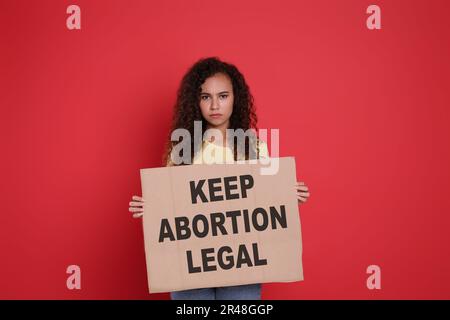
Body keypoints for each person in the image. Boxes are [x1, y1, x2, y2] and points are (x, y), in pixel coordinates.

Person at [129, 57, 310, 300]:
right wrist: (151, 206)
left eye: (223, 96)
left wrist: (287, 196)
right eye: (206, 97)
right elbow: (173, 201)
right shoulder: (183, 148)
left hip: (243, 261)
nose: (215, 105)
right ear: (196, 101)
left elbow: (267, 202)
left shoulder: (254, 147)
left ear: (236, 99)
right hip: (190, 261)